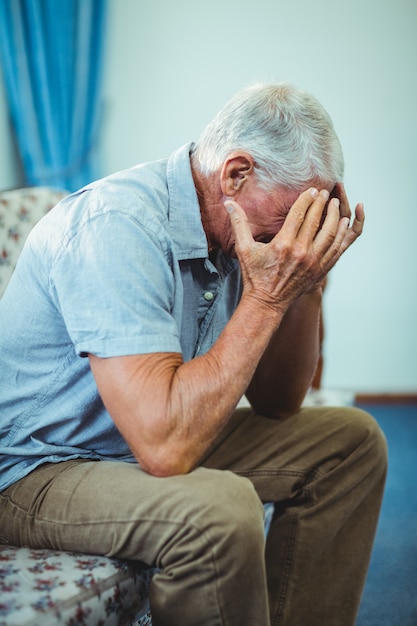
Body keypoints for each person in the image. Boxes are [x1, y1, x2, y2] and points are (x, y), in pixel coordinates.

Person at [0, 82, 387, 626]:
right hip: (36, 466)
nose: (293, 240)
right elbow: (164, 447)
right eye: (291, 218)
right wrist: (268, 295)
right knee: (219, 512)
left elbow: (278, 401)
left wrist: (307, 286)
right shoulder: (117, 225)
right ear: (236, 174)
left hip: (132, 439)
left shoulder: (236, 231)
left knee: (351, 443)